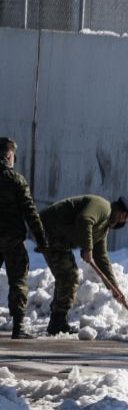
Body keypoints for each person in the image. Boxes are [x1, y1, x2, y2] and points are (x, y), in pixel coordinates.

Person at [38, 195, 128, 335]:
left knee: (67, 276)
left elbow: (101, 257)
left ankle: (57, 321)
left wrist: (114, 288)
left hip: (56, 237)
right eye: (125, 218)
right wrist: (88, 247)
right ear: (121, 214)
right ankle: (57, 322)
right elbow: (85, 219)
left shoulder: (103, 228)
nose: (123, 221)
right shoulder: (103, 207)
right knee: (69, 276)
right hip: (48, 229)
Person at [0, 138, 49, 339]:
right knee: (18, 280)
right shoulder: (16, 180)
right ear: (9, 156)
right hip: (11, 238)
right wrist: (41, 238)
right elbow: (30, 211)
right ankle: (18, 326)